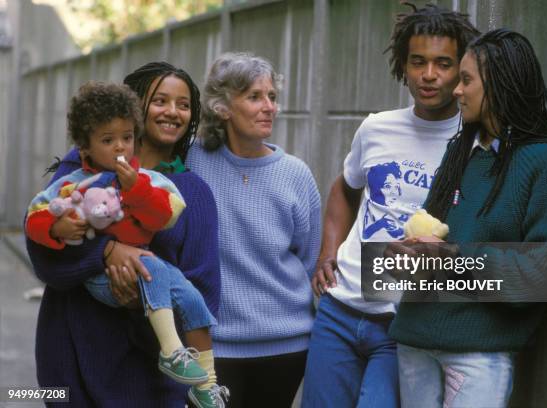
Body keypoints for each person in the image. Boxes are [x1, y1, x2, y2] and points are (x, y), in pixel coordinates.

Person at [302, 4, 479, 407]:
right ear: (403, 64)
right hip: (340, 309)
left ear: (460, 70)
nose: (429, 75)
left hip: (405, 324)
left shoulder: (473, 142)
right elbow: (345, 189)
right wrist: (328, 251)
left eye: (442, 63)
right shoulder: (377, 126)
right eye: (418, 62)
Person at [388, 28, 547, 408]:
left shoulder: (543, 162)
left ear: (500, 84)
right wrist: (403, 259)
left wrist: (456, 256)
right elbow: (432, 248)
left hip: (477, 355)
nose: (456, 90)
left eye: (467, 80)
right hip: (414, 341)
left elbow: (542, 274)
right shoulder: (460, 152)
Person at [26, 62, 225, 407]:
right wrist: (106, 252)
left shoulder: (192, 193)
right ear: (134, 106)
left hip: (149, 381)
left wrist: (140, 301)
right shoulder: (81, 167)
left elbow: (202, 295)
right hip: (69, 363)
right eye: (160, 100)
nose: (172, 112)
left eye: (183, 104)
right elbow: (45, 260)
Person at [186, 52, 321, 408]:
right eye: (254, 97)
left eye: (272, 97)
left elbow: (309, 260)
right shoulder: (190, 163)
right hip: (211, 346)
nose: (269, 107)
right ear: (222, 107)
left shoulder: (296, 174)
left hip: (286, 346)